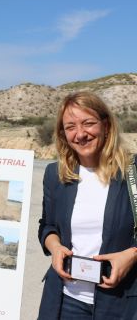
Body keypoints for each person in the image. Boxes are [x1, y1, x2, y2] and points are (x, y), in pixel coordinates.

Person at [38, 91, 137, 319]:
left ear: (106, 126)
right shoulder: (55, 175)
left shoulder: (133, 171)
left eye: (88, 123)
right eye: (70, 126)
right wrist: (55, 248)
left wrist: (132, 255)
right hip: (65, 301)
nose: (80, 134)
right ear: (62, 134)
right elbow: (47, 226)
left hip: (122, 304)